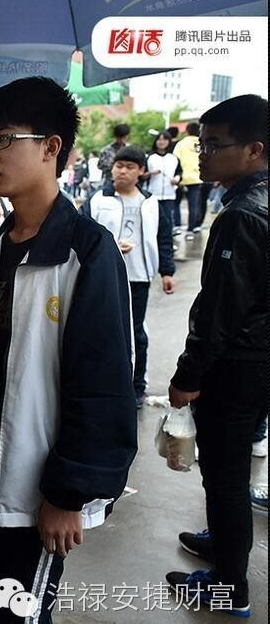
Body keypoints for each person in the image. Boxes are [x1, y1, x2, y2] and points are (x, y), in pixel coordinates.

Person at [0, 76, 137, 624]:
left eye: (3, 140)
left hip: (41, 481)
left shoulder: (83, 251)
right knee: (7, 614)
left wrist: (70, 495)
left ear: (51, 147)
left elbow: (104, 384)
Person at [167, 94, 268, 619]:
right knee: (230, 476)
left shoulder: (243, 216)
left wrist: (188, 375)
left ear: (254, 149)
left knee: (225, 478)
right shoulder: (253, 203)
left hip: (239, 367)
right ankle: (225, 542)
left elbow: (219, 311)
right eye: (200, 144)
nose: (201, 155)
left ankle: (230, 585)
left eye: (213, 145)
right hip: (259, 364)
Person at [85, 145, 176, 409]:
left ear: (142, 172)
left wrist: (167, 271)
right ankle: (106, 382)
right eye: (119, 166)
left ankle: (137, 386)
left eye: (130, 167)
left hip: (139, 277)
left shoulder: (151, 203)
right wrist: (112, 246)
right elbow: (84, 237)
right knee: (103, 329)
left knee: (136, 332)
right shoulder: (97, 200)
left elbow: (164, 237)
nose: (122, 171)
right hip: (105, 276)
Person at [146, 131, 182, 233]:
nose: (161, 142)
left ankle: (168, 242)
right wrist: (150, 172)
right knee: (153, 220)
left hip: (169, 194)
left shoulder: (173, 158)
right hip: (153, 194)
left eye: (164, 139)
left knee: (167, 220)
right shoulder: (150, 158)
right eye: (159, 139)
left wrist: (177, 179)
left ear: (169, 141)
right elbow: (142, 175)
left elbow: (179, 172)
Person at [174, 121, 205, 238]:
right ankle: (191, 230)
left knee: (176, 203)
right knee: (193, 205)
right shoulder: (201, 143)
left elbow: (175, 159)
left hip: (181, 179)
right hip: (197, 178)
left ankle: (177, 226)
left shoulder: (181, 144)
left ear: (187, 131)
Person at [97, 123, 130, 192]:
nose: (121, 140)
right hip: (110, 181)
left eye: (124, 138)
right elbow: (100, 165)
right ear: (115, 137)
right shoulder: (107, 150)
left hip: (127, 183)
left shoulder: (130, 149)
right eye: (119, 138)